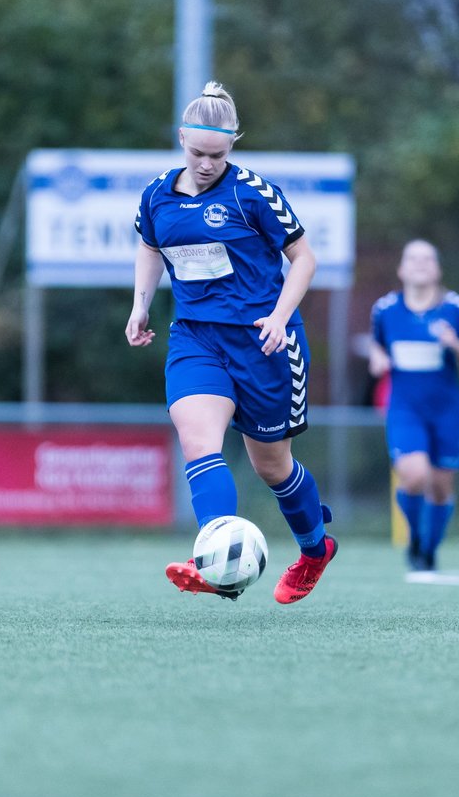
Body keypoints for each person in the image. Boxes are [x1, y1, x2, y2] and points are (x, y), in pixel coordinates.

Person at [125, 81, 337, 604]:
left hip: (264, 344)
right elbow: (150, 248)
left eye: (216, 154)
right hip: (195, 336)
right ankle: (214, 560)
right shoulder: (157, 195)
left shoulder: (252, 194)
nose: (204, 164)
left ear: (233, 146)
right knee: (197, 440)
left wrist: (280, 317)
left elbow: (304, 258)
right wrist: (140, 304)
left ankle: (315, 550)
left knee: (272, 466)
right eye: (196, 152)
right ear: (181, 140)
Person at [369, 239, 459, 572]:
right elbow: (378, 344)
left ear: (437, 269)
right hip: (405, 409)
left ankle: (429, 548)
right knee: (415, 475)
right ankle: (416, 540)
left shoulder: (455, 307)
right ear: (401, 269)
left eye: (427, 259)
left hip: (447, 410)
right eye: (413, 258)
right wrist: (378, 358)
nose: (420, 264)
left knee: (440, 488)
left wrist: (455, 343)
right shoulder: (385, 309)